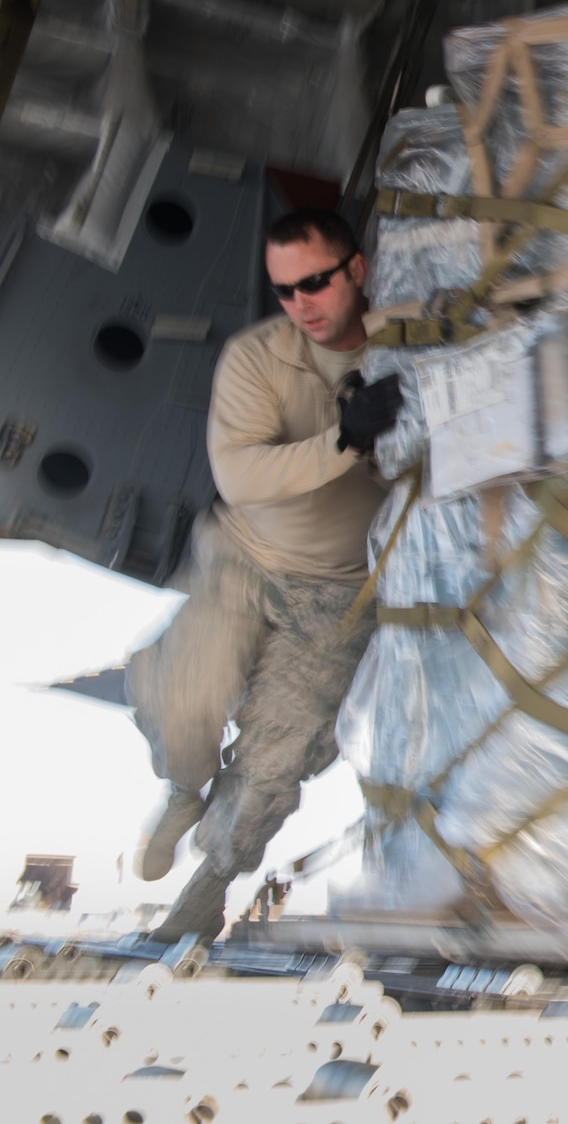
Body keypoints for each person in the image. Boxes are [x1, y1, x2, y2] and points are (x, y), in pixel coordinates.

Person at [127, 208, 405, 942]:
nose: (299, 304)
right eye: (283, 290)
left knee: (276, 762)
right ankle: (184, 789)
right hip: (241, 563)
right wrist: (348, 440)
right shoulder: (256, 357)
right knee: (181, 697)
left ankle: (209, 883)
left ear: (356, 271)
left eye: (314, 282)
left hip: (338, 595)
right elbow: (242, 474)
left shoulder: (404, 354)